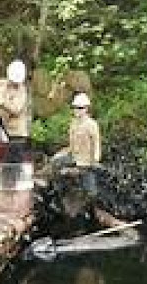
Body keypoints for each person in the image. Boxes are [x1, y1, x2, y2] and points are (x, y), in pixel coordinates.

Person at [53, 92, 124, 228]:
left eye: (80, 108)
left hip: (86, 161)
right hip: (75, 157)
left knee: (91, 189)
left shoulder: (91, 124)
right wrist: (63, 154)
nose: (77, 111)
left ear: (86, 109)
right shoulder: (73, 123)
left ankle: (94, 211)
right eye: (75, 108)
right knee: (57, 167)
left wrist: (95, 158)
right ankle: (65, 199)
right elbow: (71, 143)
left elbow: (96, 142)